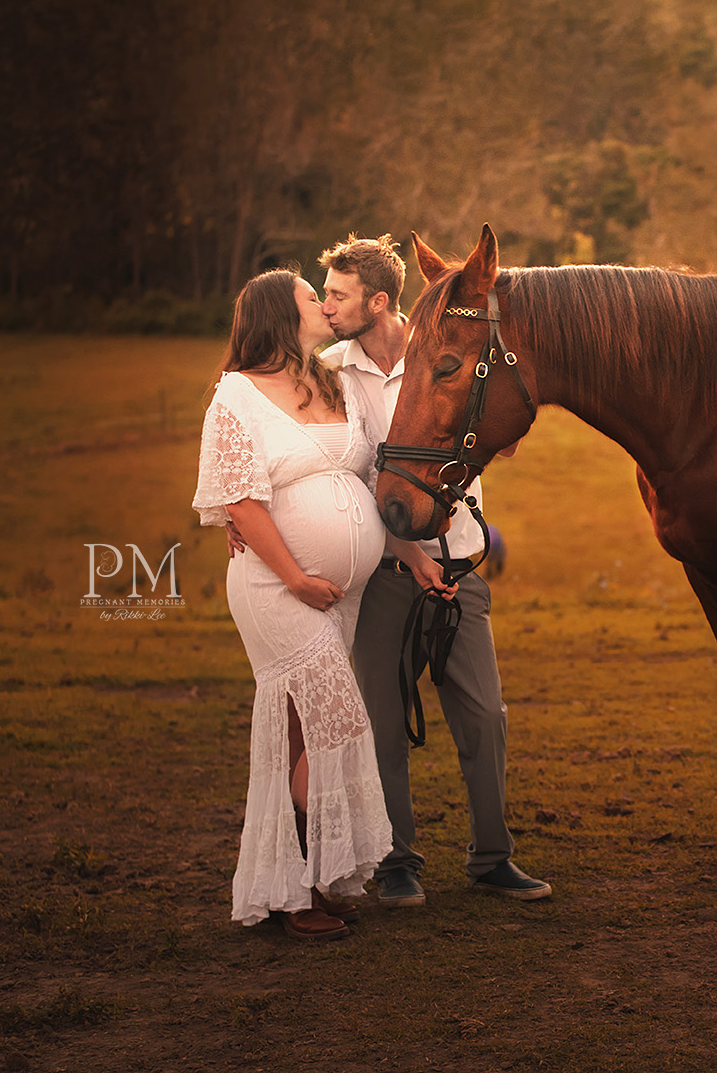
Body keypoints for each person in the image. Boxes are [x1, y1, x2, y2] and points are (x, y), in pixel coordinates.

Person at [316, 232, 550, 904]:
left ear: (379, 300)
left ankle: (491, 855)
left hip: (459, 568)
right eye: (324, 294)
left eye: (338, 293)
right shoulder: (331, 372)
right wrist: (409, 554)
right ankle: (395, 858)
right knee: (383, 722)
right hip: (385, 574)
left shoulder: (444, 352)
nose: (328, 306)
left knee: (484, 715)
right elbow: (348, 477)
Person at [192, 267, 392, 941]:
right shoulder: (237, 396)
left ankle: (291, 887)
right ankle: (306, 883)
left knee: (300, 739)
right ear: (281, 313)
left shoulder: (331, 378)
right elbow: (241, 502)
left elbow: (365, 471)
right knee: (337, 724)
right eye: (314, 296)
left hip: (341, 594)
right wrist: (299, 579)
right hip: (278, 590)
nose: (325, 305)